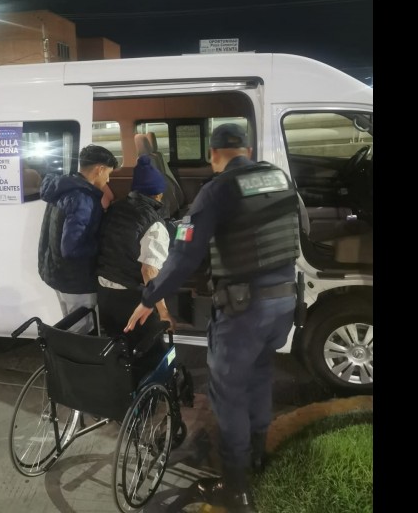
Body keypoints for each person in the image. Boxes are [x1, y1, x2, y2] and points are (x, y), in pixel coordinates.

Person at [124, 123, 300, 513]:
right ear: (248, 151)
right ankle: (257, 457)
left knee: (229, 395)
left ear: (214, 155)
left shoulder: (217, 190)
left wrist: (149, 299)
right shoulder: (279, 177)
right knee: (259, 377)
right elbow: (297, 227)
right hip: (284, 304)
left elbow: (184, 257)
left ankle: (235, 489)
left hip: (243, 312)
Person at [96, 154, 175, 355]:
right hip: (130, 298)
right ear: (158, 194)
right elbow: (149, 271)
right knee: (146, 351)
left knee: (118, 350)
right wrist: (163, 312)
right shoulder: (155, 225)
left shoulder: (116, 208)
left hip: (104, 294)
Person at [37, 144, 119, 334]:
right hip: (77, 279)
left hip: (57, 273)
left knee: (70, 326)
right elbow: (72, 248)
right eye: (108, 174)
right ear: (99, 169)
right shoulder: (83, 199)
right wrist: (103, 247)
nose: (108, 179)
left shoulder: (64, 188)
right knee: (83, 332)